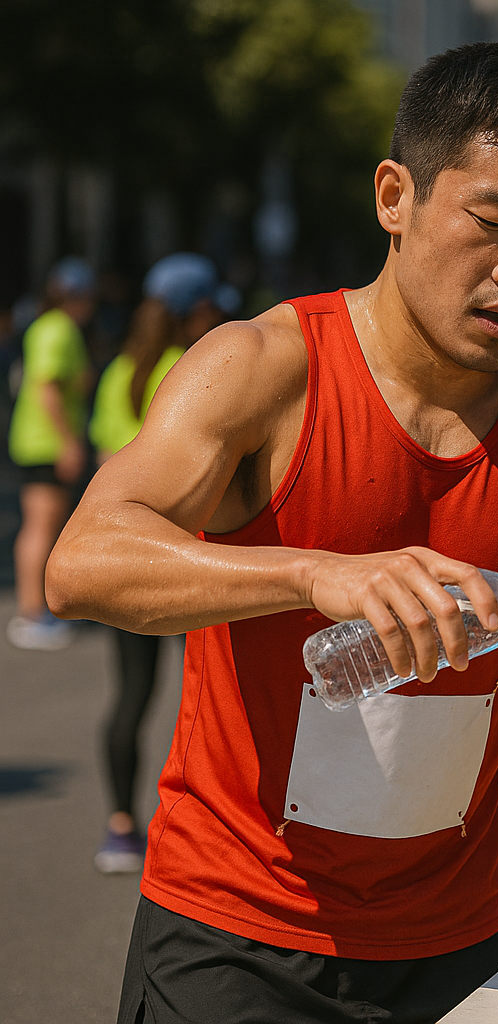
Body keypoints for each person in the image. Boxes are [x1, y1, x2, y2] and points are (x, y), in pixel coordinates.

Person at [46, 42, 498, 1024]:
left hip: (457, 940)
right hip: (234, 931)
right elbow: (81, 564)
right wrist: (314, 572)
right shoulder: (260, 366)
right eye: (493, 221)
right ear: (396, 195)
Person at [90, 253, 232, 874]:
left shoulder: (120, 371)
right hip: (191, 564)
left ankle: (120, 825)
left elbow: (107, 465)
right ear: (191, 312)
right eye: (210, 306)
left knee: (132, 695)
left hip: (130, 560)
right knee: (211, 702)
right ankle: (203, 828)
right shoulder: (199, 372)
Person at [7, 257, 95, 650]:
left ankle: (33, 610)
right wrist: (68, 442)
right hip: (46, 441)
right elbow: (48, 389)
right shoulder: (58, 330)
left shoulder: (46, 326)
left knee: (38, 524)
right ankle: (33, 612)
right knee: (42, 525)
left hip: (34, 439)